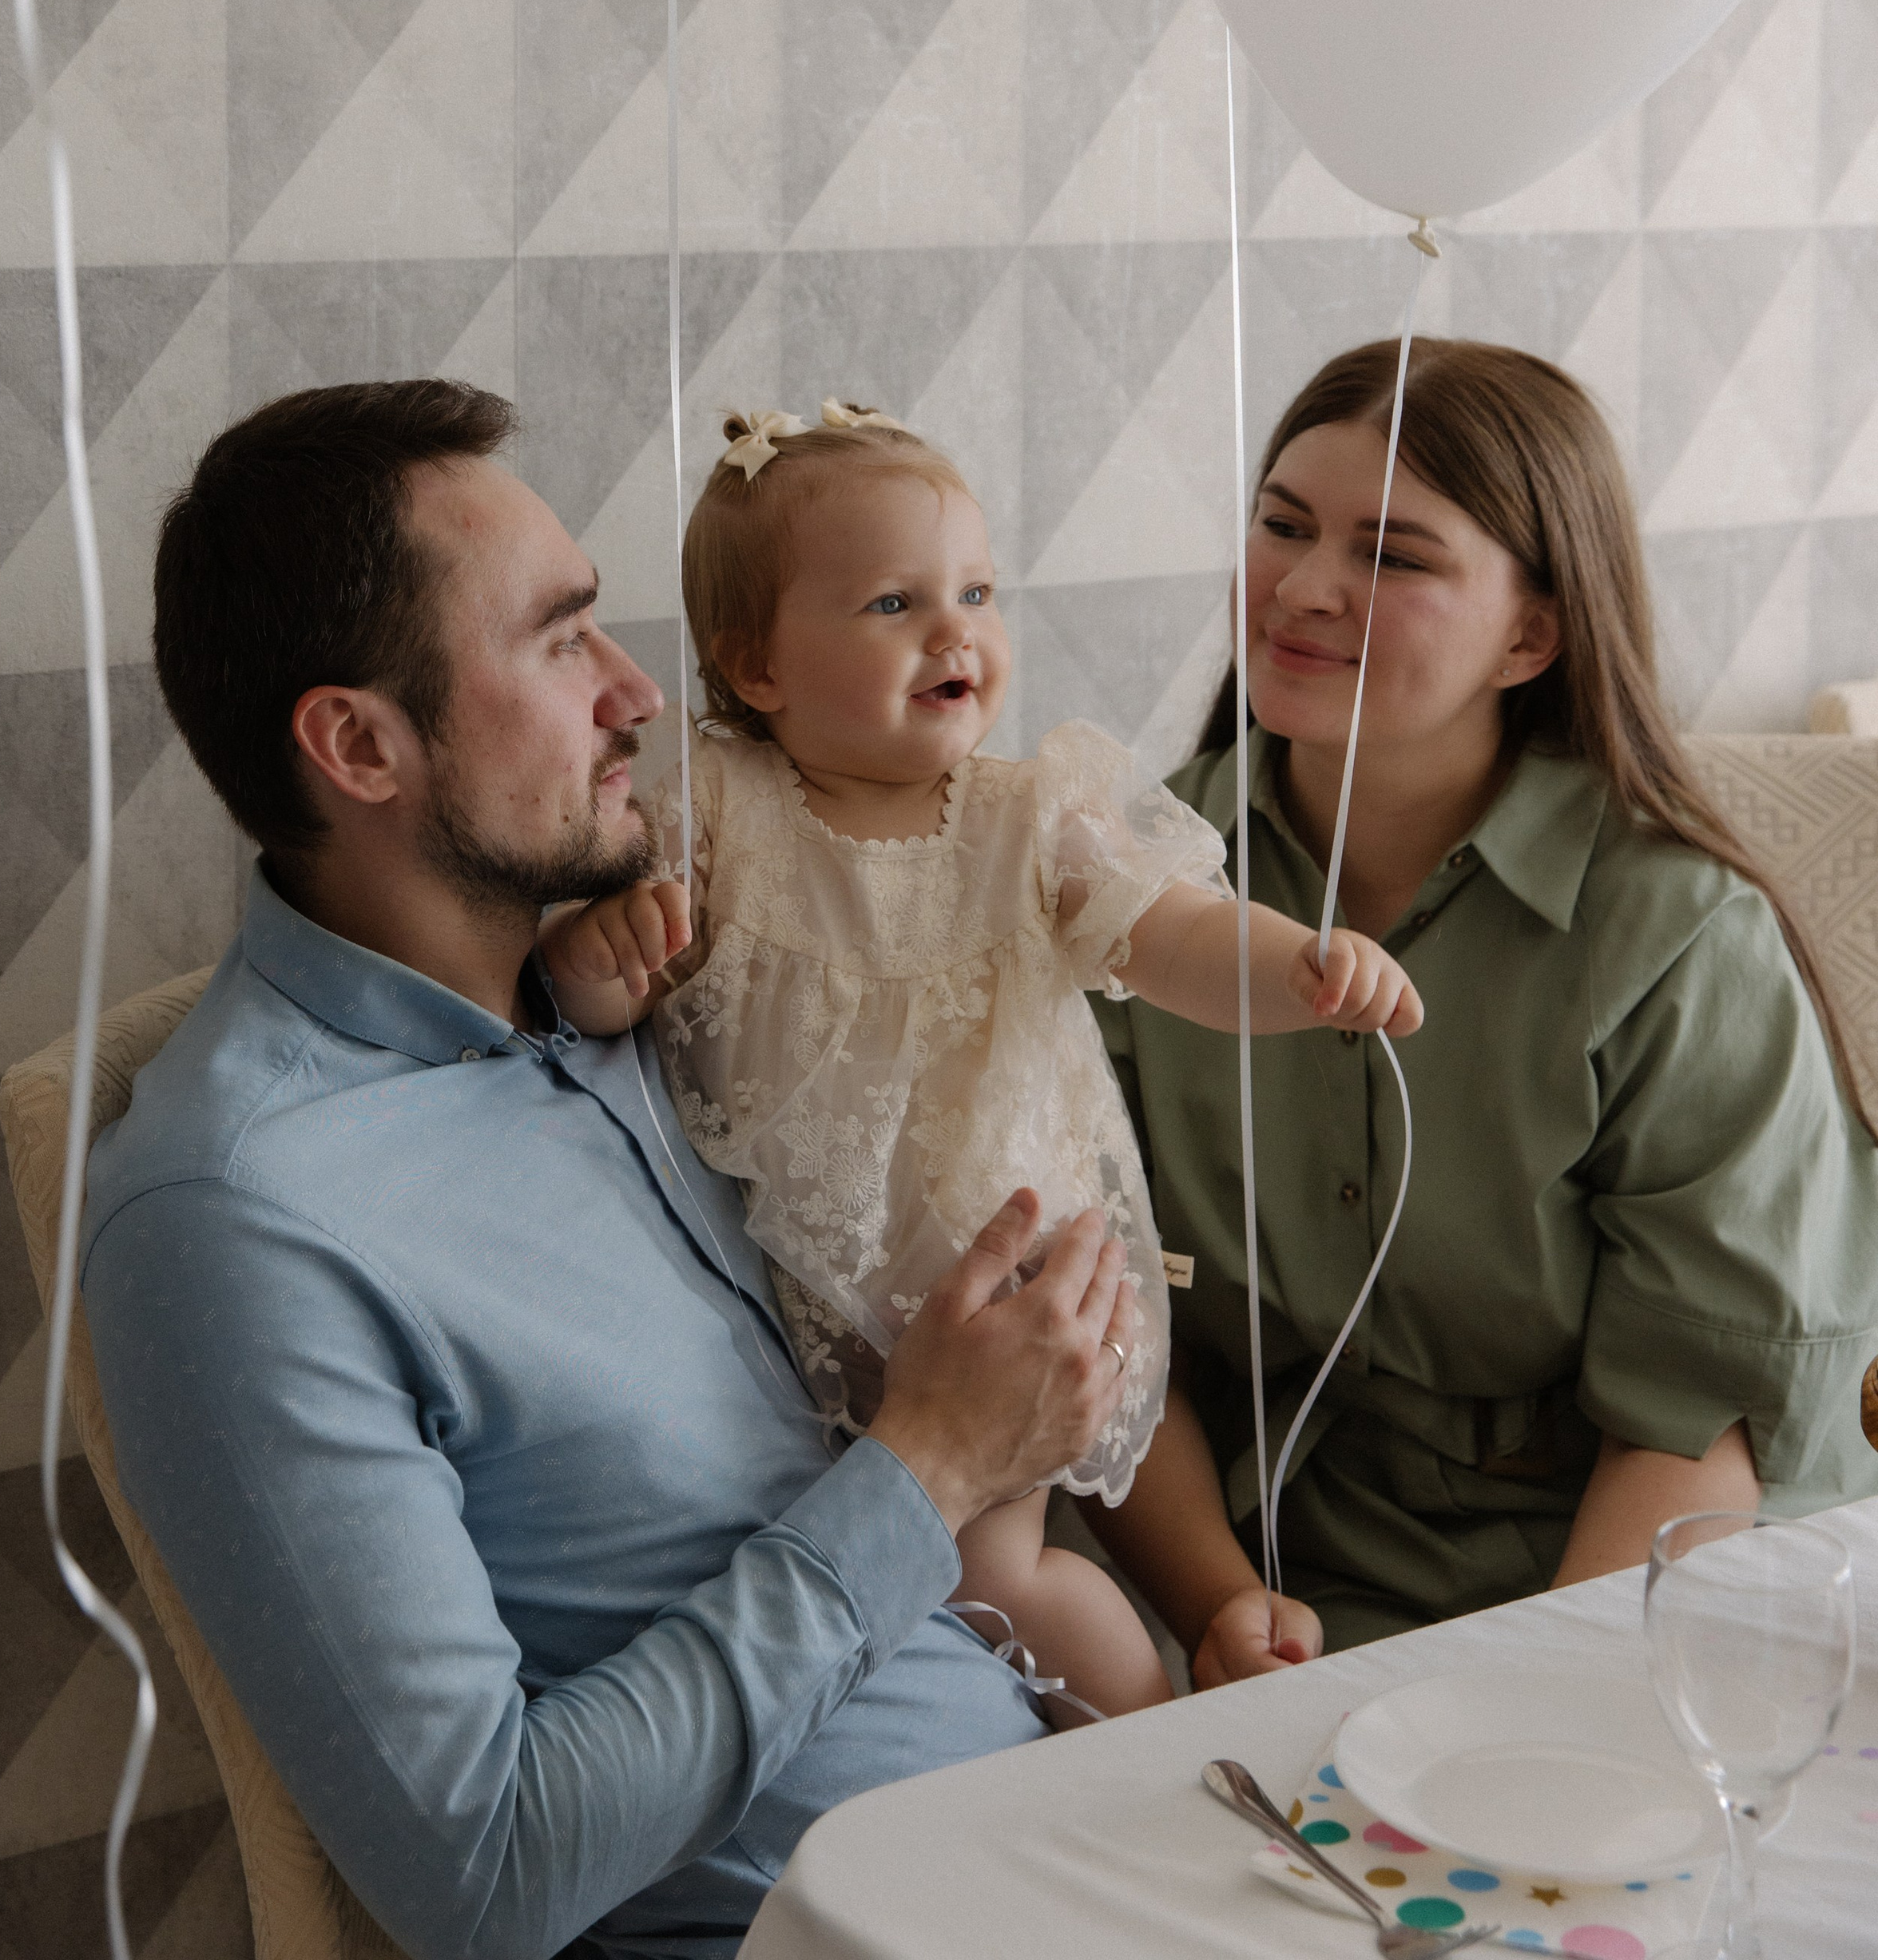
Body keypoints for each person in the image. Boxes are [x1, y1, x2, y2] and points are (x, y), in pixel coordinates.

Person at [81, 379, 1148, 1960]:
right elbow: (485, 1871)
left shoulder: (668, 990)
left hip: (1090, 1829)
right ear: (360, 746)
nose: (638, 694)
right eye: (561, 638)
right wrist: (922, 1470)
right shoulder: (239, 1219)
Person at [542, 401, 1420, 1719]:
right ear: (760, 667)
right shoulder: (716, 804)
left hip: (994, 1293)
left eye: (976, 592)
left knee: (994, 1575)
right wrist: (600, 958)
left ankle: (1149, 1732)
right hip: (760, 1311)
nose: (956, 630)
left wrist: (1301, 967)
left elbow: (1174, 936)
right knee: (806, 1579)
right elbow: (597, 994)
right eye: (894, 603)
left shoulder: (1029, 816)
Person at [1086, 338, 1878, 1687]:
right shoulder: (1134, 875)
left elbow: (1694, 1435)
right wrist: (1222, 1610)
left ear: (1533, 633)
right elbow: (1110, 1335)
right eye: (1283, 524)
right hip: (1282, 1594)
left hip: (1640, 1606)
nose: (1306, 585)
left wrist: (1516, 1716)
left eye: (1393, 556)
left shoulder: (1676, 937)